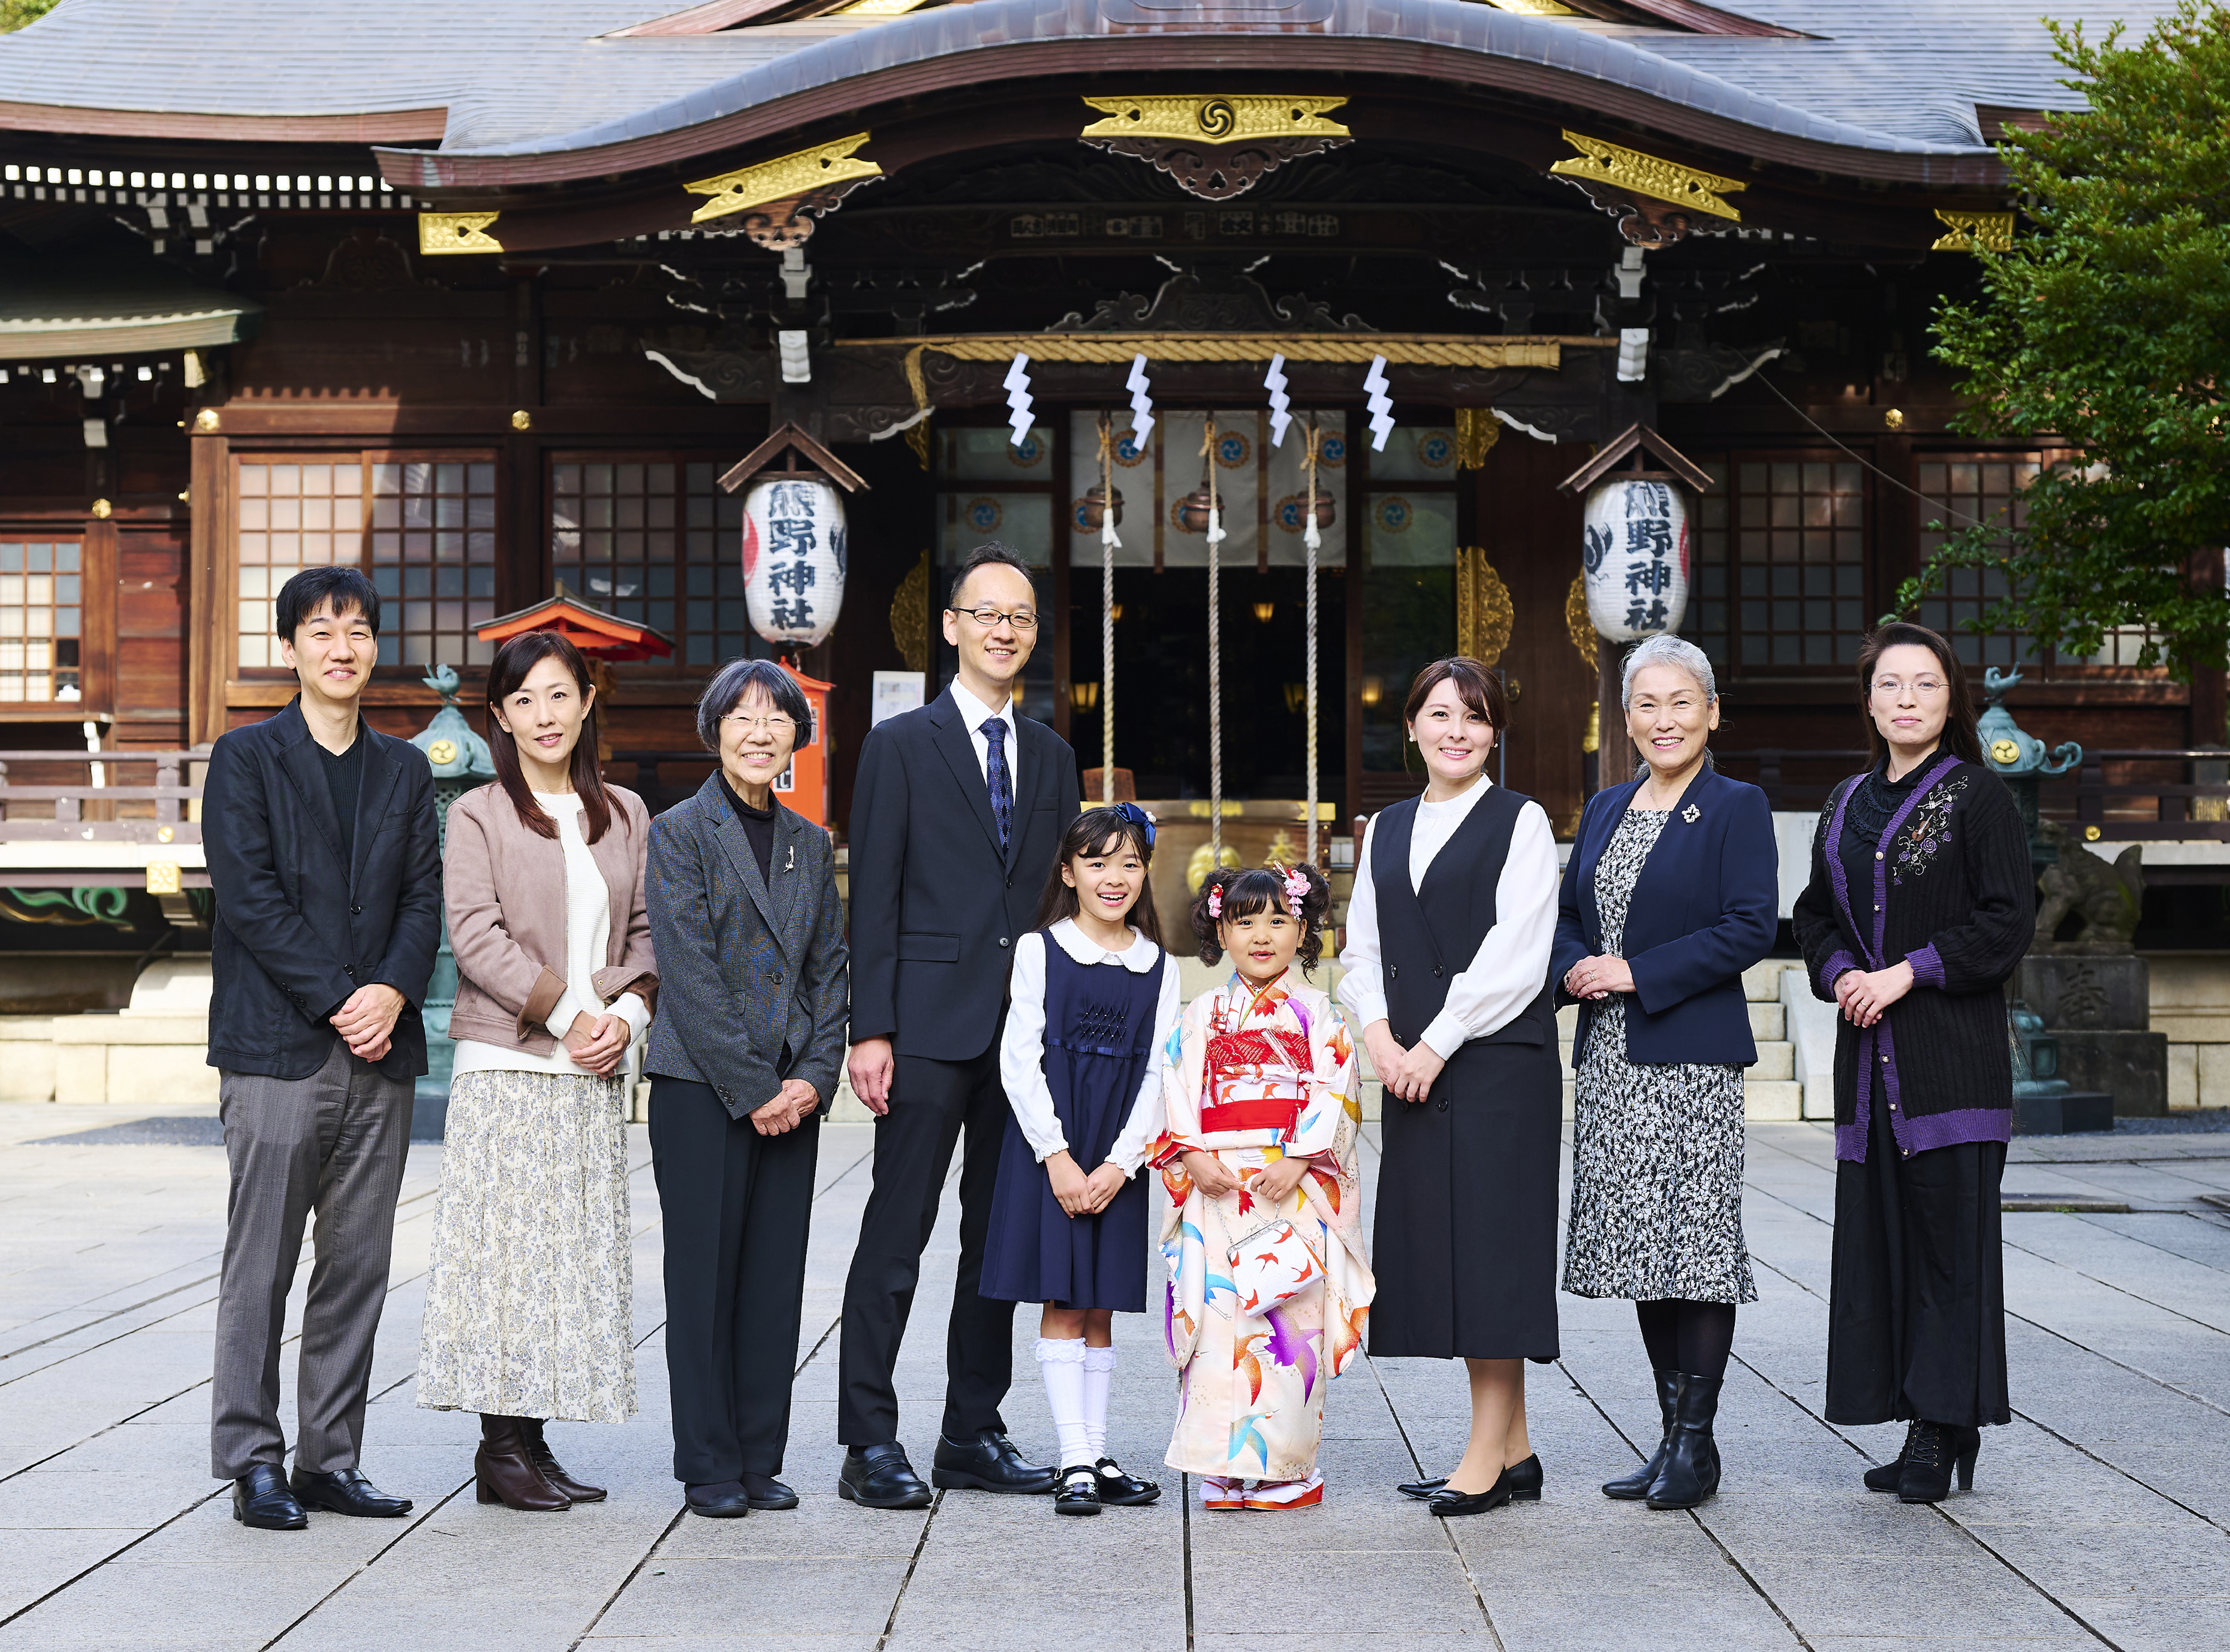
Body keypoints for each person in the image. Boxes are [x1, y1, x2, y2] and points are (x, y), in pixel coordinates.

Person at [837, 543, 1081, 1509]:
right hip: (926, 1030)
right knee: (896, 1235)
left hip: (1023, 1040)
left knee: (997, 1243)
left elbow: (1064, 906)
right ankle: (868, 1442)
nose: (1003, 631)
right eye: (986, 614)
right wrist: (871, 1028)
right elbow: (874, 895)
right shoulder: (901, 745)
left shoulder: (1053, 756)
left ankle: (972, 1431)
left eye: (1020, 617)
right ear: (950, 627)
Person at [203, 566, 440, 1531]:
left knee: (357, 1264)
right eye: (321, 630)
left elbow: (423, 897)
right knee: (260, 1265)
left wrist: (392, 990)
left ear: (375, 646)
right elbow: (248, 897)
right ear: (290, 648)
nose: (343, 648)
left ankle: (329, 1459)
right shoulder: (245, 758)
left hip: (380, 1052)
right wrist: (346, 998)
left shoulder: (405, 769)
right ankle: (252, 1458)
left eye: (358, 630)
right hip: (277, 1049)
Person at [1791, 621, 2031, 1503]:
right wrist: (1840, 973)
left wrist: (1907, 972)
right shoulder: (1843, 801)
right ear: (1868, 701)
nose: (1906, 699)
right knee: (1887, 1245)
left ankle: (1943, 1425)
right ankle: (1925, 1419)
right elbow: (1814, 913)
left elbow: (2007, 921)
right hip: (1869, 1072)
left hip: (1951, 1066)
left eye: (1925, 684)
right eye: (1890, 684)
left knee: (1948, 1250)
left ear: (1949, 697)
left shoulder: (1979, 796)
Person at [417, 631, 656, 1511]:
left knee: (565, 1263)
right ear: (500, 717)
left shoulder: (626, 812)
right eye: (524, 700)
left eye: (559, 695)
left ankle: (532, 1440)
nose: (544, 715)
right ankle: (499, 1447)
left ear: (587, 701)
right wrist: (567, 1013)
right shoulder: (479, 814)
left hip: (593, 1069)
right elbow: (474, 934)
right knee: (505, 1263)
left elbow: (647, 935)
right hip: (509, 1066)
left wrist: (624, 1020)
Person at [1551, 634, 1778, 1512]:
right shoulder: (1606, 806)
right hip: (1611, 1058)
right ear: (1626, 717)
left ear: (1712, 712)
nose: (1664, 719)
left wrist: (1634, 971)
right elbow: (1571, 916)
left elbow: (1750, 925)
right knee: (1643, 1247)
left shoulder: (1736, 806)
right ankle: (1671, 1433)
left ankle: (1696, 1444)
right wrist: (1577, 968)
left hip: (1691, 1057)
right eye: (1647, 703)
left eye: (1682, 702)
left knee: (1698, 1248)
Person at [1338, 656, 1559, 1517]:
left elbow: (1518, 954)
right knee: (1450, 1252)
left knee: (1494, 1256)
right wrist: (1379, 1035)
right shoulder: (1386, 828)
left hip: (1496, 1066)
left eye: (1474, 716)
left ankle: (1483, 1460)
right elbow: (1362, 948)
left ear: (1494, 732)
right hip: (1412, 1067)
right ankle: (1516, 1451)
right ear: (1413, 727)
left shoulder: (1522, 820)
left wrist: (1432, 1044)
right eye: (1440, 714)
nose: (1456, 731)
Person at [644, 658, 848, 1519]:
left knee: (772, 1278)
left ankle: (760, 1455)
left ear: (797, 734)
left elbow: (831, 970)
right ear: (715, 731)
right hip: (702, 1086)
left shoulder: (810, 840)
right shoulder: (680, 831)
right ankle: (708, 1461)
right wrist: (756, 1085)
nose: (760, 733)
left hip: (791, 1094)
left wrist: (813, 1077)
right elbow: (687, 971)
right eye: (742, 717)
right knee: (704, 1279)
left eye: (777, 718)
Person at [980, 803, 1180, 1515]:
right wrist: (1058, 1157)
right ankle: (1074, 1459)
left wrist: (1124, 1163)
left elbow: (1160, 1073)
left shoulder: (1160, 966)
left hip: (1118, 1154)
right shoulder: (1041, 949)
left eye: (1129, 862)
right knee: (1063, 1302)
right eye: (1097, 863)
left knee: (1100, 1308)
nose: (1113, 877)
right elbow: (1019, 1061)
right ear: (1068, 872)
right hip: (1054, 1150)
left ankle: (1094, 1453)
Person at [1156, 861, 1371, 1511]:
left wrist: (1302, 1158)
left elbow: (1339, 1089)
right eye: (1244, 921)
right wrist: (1192, 1154)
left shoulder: (1318, 1013)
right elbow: (1175, 1085)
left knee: (1287, 1320)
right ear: (1220, 932)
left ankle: (1288, 1470)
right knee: (1218, 1320)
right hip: (1218, 1185)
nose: (1262, 935)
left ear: (1302, 932)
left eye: (1279, 920)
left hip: (1291, 1189)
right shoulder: (1203, 1013)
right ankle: (1220, 1465)